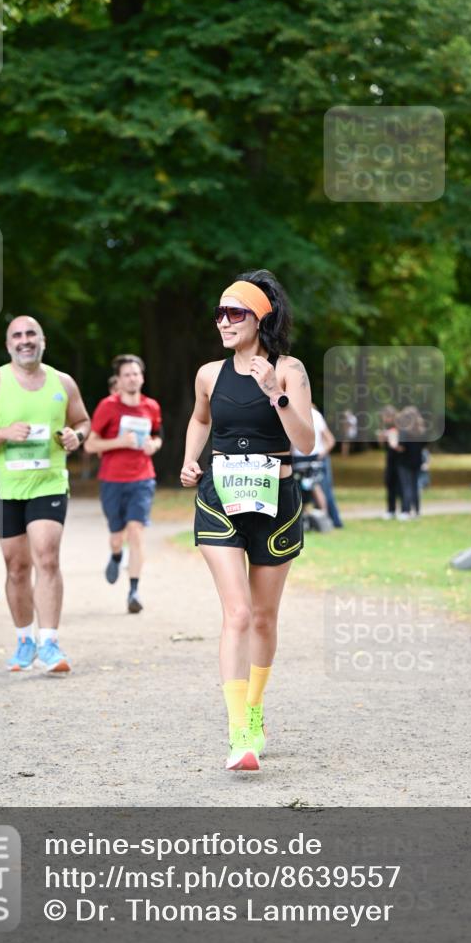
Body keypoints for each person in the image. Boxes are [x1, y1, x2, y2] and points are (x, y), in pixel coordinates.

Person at [180, 269, 314, 772]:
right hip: (220, 496)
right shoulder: (208, 374)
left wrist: (272, 392)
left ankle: (255, 709)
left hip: (275, 499)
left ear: (260, 318)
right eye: (219, 313)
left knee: (263, 616)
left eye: (234, 313)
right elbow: (200, 419)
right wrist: (191, 458)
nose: (224, 321)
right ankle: (239, 733)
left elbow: (305, 442)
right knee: (236, 613)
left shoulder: (289, 370)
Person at [0, 316, 90, 673]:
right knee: (17, 567)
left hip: (49, 482)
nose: (24, 340)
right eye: (17, 335)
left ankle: (49, 642)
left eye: (30, 334)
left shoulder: (62, 382)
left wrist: (75, 436)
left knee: (47, 558)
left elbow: (83, 421)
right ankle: (25, 640)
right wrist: (4, 432)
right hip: (7, 486)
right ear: (8, 345)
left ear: (42, 340)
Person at [84, 354, 162, 614]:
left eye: (136, 373)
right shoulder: (107, 406)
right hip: (112, 481)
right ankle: (116, 555)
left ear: (142, 377)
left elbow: (157, 436)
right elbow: (90, 444)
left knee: (136, 532)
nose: (132, 378)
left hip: (142, 478)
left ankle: (134, 591)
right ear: (118, 379)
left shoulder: (151, 406)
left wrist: (153, 445)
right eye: (126, 374)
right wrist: (120, 442)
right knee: (117, 537)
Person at [293, 404, 343, 528]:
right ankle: (323, 515)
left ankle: (303, 519)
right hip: (314, 457)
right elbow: (330, 440)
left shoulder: (294, 413)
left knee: (300, 488)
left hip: (299, 457)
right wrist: (322, 453)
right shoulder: (316, 415)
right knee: (315, 487)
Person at [395, 406, 426, 520]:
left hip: (404, 462)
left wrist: (394, 445)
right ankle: (417, 510)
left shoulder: (404, 431)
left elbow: (401, 447)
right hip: (417, 461)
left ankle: (406, 510)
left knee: (406, 487)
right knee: (414, 486)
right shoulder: (421, 431)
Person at [376, 405, 401, 519]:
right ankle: (391, 509)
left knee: (399, 485)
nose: (384, 420)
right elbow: (383, 446)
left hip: (399, 459)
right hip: (390, 458)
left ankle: (403, 509)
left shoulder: (399, 426)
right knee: (389, 483)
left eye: (385, 417)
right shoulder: (386, 427)